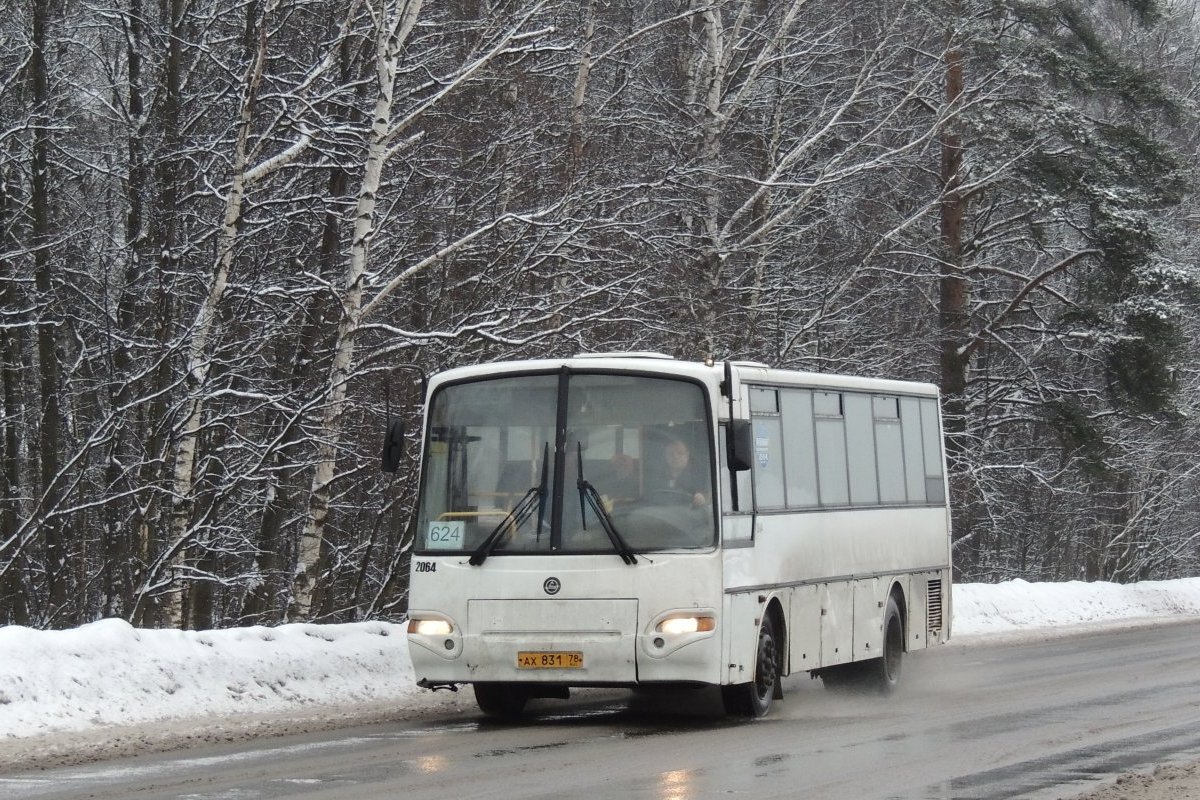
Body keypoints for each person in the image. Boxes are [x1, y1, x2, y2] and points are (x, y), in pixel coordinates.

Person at [653, 437, 708, 507]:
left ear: (687, 455)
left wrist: (702, 498)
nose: (675, 457)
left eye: (680, 453)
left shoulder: (699, 476)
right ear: (666, 456)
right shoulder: (657, 477)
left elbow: (708, 497)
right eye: (671, 454)